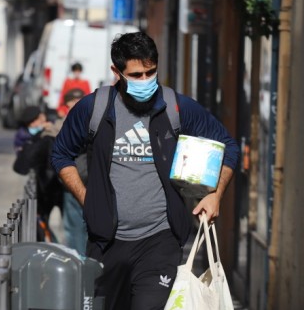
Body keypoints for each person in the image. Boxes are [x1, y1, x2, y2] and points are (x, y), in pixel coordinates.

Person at [51, 32, 238, 310]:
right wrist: (87, 199)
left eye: (150, 73)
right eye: (136, 75)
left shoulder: (176, 107)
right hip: (106, 243)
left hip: (160, 241)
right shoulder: (94, 108)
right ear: (116, 72)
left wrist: (215, 195)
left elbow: (228, 146)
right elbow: (60, 154)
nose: (145, 81)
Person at [12, 106, 62, 241]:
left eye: (37, 120)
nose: (35, 124)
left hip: (57, 184)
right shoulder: (27, 136)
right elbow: (21, 166)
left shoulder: (53, 129)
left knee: (70, 225)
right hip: (44, 185)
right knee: (40, 220)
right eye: (31, 123)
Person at [58, 87, 88, 254]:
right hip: (77, 178)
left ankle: (80, 262)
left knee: (76, 227)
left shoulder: (76, 122)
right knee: (78, 226)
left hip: (78, 178)